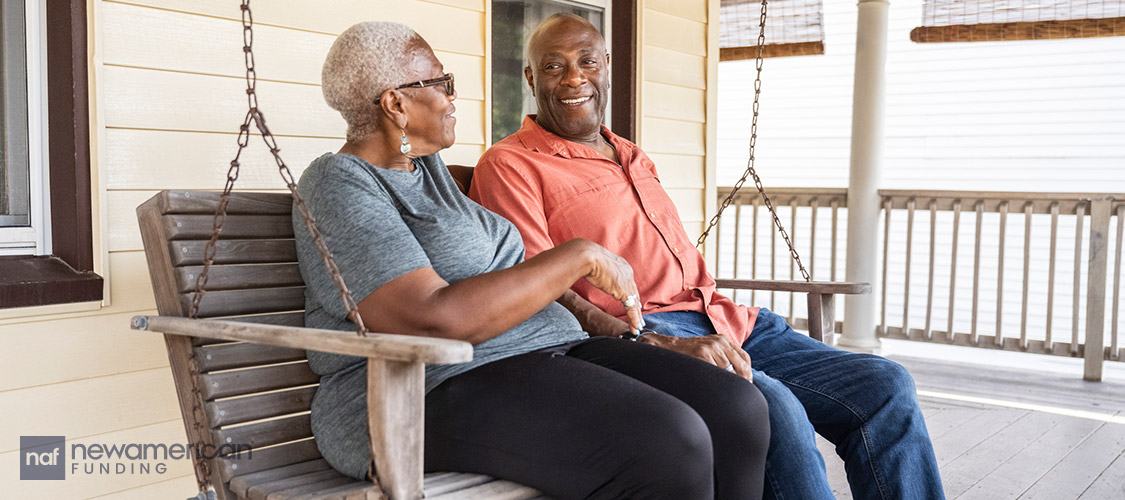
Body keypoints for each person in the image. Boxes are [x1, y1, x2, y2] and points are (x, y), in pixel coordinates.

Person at [468, 13, 945, 500]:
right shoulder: (511, 164)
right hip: (648, 330)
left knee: (884, 384)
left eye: (587, 61)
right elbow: (539, 286)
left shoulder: (631, 154)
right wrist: (639, 339)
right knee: (773, 404)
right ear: (529, 78)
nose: (574, 77)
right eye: (553, 66)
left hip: (723, 316)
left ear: (607, 66)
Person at [294, 21, 771, 500]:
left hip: (541, 353)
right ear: (396, 103)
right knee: (668, 440)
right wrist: (576, 255)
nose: (452, 97)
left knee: (735, 408)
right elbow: (430, 319)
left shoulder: (428, 171)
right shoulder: (338, 184)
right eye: (442, 84)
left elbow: (516, 282)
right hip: (421, 392)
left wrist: (632, 332)